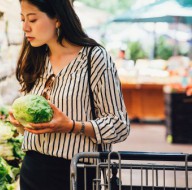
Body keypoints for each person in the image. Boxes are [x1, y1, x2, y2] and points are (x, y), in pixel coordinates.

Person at [8, 0, 131, 189]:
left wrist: (72, 126)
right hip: (32, 170)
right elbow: (30, 132)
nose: (25, 27)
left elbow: (119, 125)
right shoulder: (35, 58)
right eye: (22, 19)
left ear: (57, 18)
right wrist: (21, 124)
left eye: (32, 19)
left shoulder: (94, 59)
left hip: (77, 172)